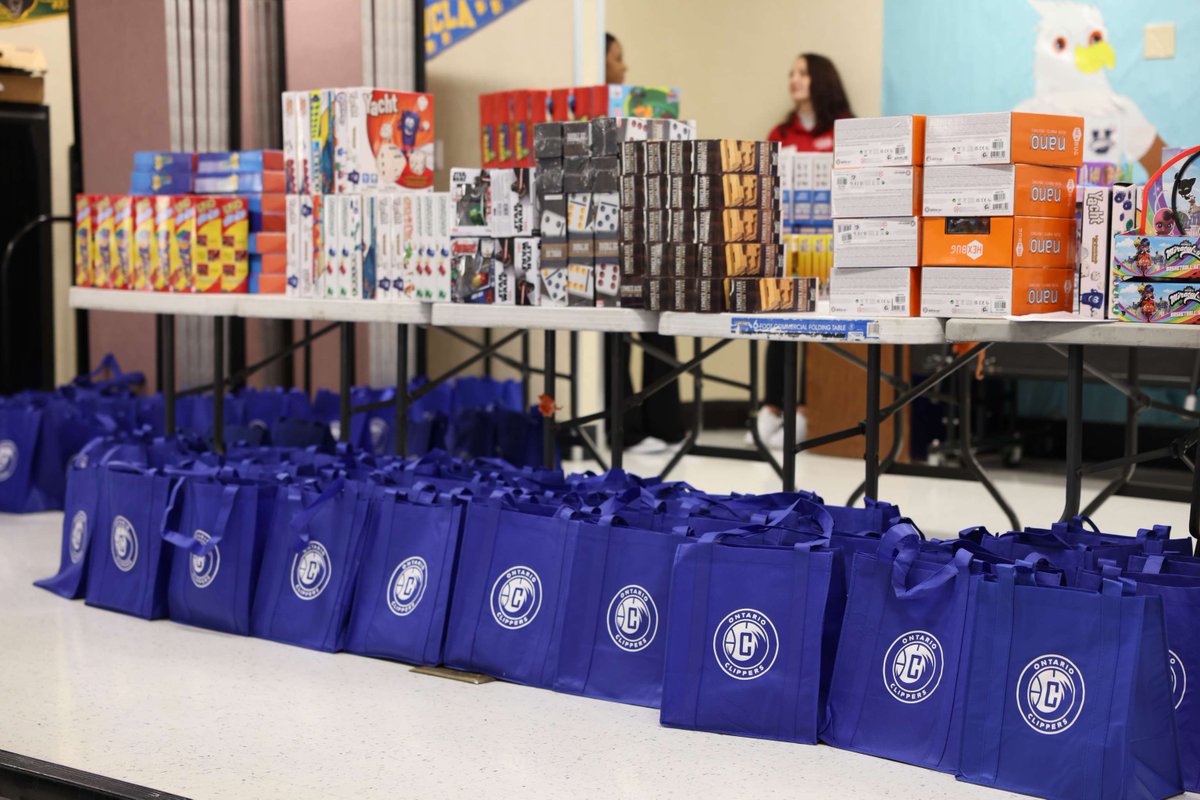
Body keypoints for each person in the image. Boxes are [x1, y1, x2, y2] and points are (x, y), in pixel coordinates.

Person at [757, 53, 853, 449]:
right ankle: (773, 407)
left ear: (822, 79)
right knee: (781, 320)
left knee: (825, 327)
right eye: (791, 72)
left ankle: (815, 409)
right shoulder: (781, 132)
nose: (794, 79)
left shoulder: (847, 129)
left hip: (836, 248)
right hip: (790, 247)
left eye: (802, 73)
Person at [604, 32, 684, 453]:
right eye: (618, 57)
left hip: (649, 228)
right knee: (612, 332)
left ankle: (666, 423)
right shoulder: (593, 117)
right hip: (607, 237)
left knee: (659, 315)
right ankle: (626, 428)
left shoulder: (639, 111)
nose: (625, 66)